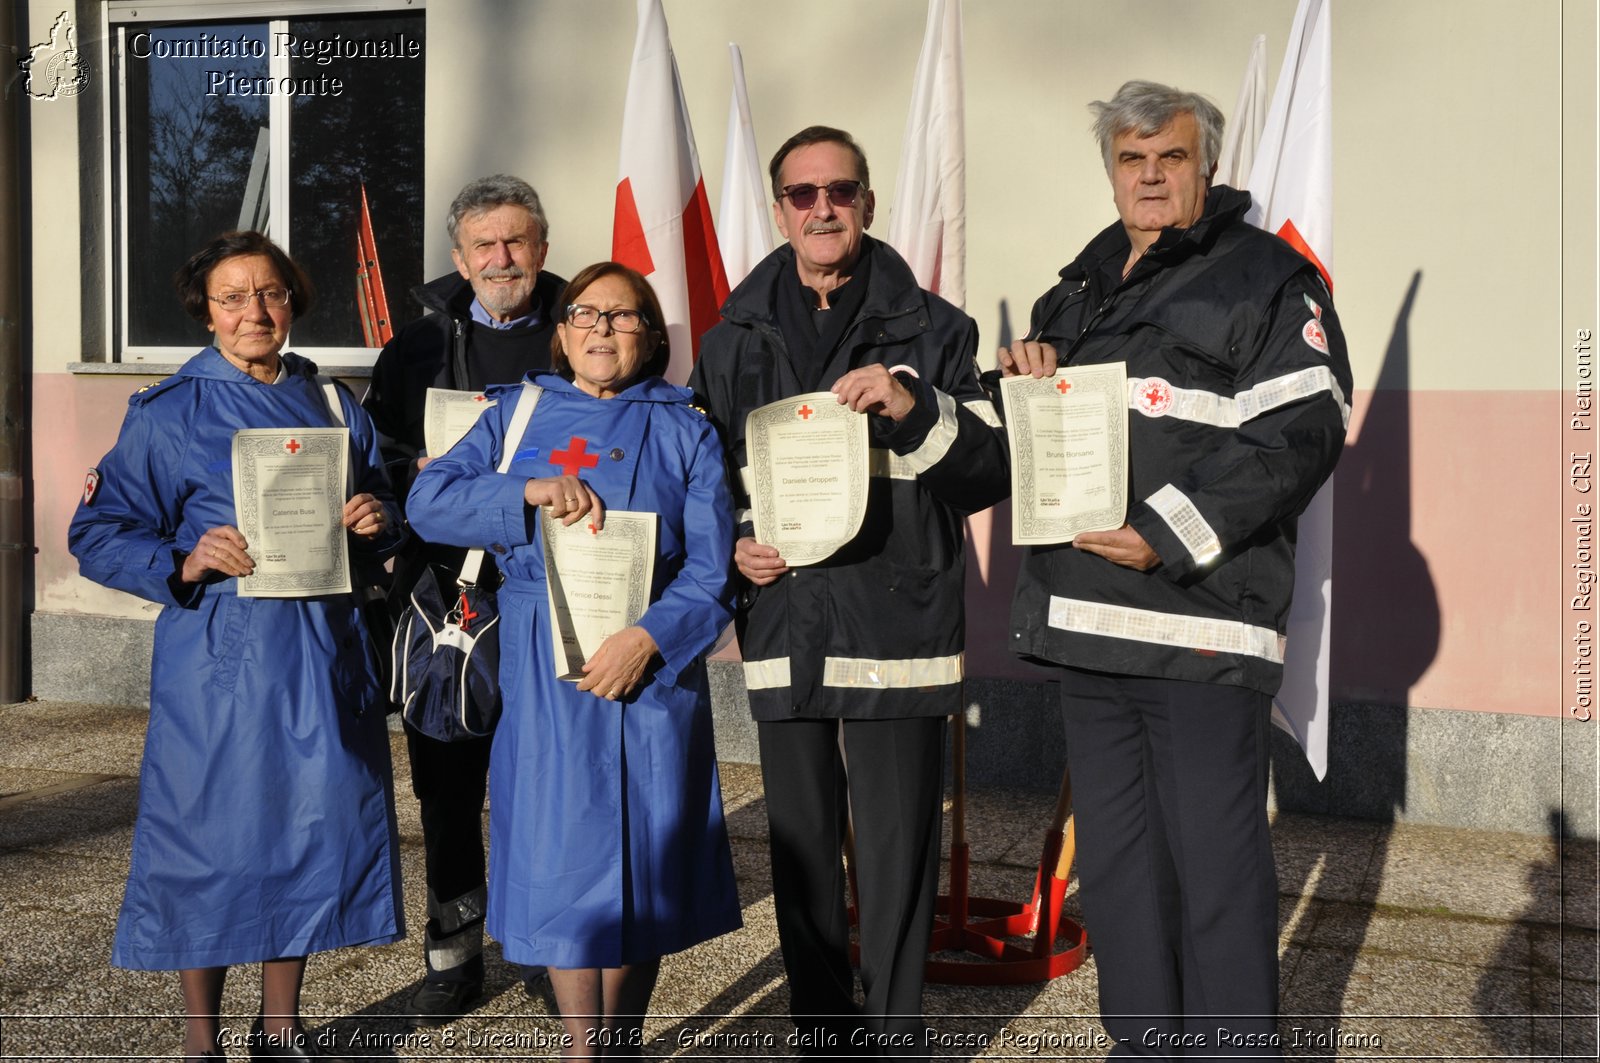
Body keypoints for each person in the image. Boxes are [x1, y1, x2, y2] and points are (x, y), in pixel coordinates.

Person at [1000, 81, 1352, 1058]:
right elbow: (1034, 451)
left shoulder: (1268, 280)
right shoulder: (1070, 294)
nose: (1150, 176)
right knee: (1116, 874)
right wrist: (1023, 382)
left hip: (1201, 623)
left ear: (1206, 166)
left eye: (1171, 159)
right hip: (1089, 624)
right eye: (1131, 159)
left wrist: (1166, 528)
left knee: (1216, 873)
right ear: (1110, 170)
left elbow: (1302, 429)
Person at [689, 126, 1009, 1055]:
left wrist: (916, 409)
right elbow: (708, 481)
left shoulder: (939, 331)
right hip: (785, 612)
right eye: (802, 193)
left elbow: (986, 476)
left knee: (897, 850)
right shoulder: (729, 337)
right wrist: (735, 544)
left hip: (896, 619)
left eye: (840, 190)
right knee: (799, 851)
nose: (821, 207)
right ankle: (823, 1029)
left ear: (868, 203)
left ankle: (897, 1030)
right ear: (780, 207)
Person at [68, 231, 403, 1061]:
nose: (256, 311)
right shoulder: (170, 411)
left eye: (272, 293)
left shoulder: (333, 403)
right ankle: (200, 1041)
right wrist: (180, 560)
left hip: (323, 654)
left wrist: (376, 519)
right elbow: (98, 530)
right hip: (220, 659)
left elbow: (383, 497)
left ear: (293, 301)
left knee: (306, 832)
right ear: (206, 312)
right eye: (234, 297)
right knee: (207, 842)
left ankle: (281, 1030)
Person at [407, 262, 741, 1057]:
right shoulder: (515, 416)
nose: (600, 329)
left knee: (647, 860)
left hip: (651, 670)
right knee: (561, 857)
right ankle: (581, 1045)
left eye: (622, 318)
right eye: (585, 314)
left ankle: (620, 1039)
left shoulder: (686, 426)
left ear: (652, 337)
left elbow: (713, 569)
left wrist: (650, 639)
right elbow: (428, 501)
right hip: (542, 665)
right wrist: (520, 493)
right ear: (560, 334)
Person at [361, 174, 566, 1024]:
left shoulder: (582, 329)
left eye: (516, 241)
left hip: (554, 591)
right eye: (484, 244)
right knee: (445, 786)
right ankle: (454, 952)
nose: (501, 258)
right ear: (458, 258)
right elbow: (376, 456)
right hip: (444, 596)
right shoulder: (412, 348)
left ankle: (557, 949)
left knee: (546, 781)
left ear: (543, 248)